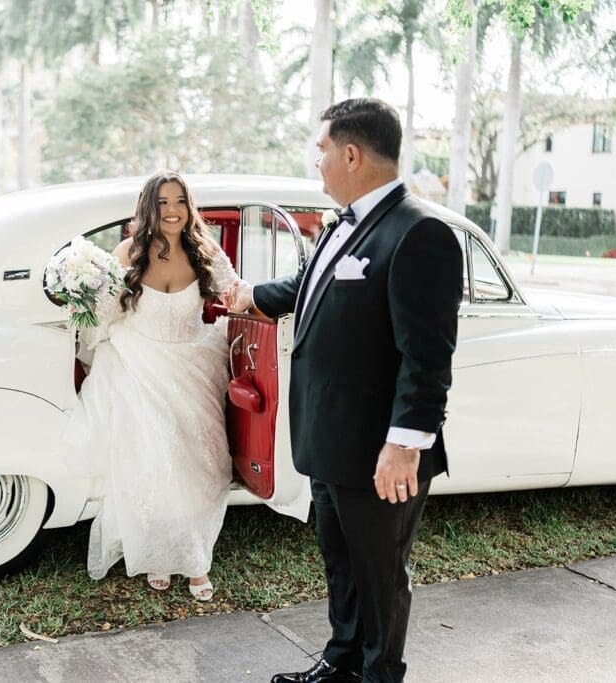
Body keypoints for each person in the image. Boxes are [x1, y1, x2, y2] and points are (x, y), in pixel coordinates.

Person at [229, 98, 463, 682]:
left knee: (380, 576)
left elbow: (427, 354)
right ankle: (342, 663)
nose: (318, 162)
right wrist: (249, 294)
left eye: (322, 150)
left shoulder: (421, 231)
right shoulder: (347, 223)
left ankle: (380, 674)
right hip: (332, 441)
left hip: (379, 451)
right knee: (344, 567)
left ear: (351, 153)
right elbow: (309, 288)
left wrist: (405, 444)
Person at [64, 170, 238, 602]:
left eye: (180, 201)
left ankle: (197, 558)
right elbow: (104, 312)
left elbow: (235, 292)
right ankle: (158, 555)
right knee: (154, 460)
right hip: (138, 361)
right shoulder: (128, 252)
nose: (173, 210)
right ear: (148, 208)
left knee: (200, 464)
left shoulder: (204, 250)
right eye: (162, 202)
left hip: (193, 363)